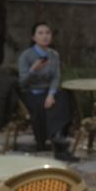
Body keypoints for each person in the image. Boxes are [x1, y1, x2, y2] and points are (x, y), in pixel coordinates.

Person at [16, 22, 77, 160]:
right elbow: (22, 82)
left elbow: (56, 77)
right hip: (31, 92)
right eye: (41, 33)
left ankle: (58, 137)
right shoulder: (26, 56)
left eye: (48, 33)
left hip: (47, 91)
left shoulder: (53, 55)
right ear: (34, 37)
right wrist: (33, 70)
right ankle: (59, 143)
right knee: (48, 105)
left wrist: (51, 94)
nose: (45, 36)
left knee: (65, 96)